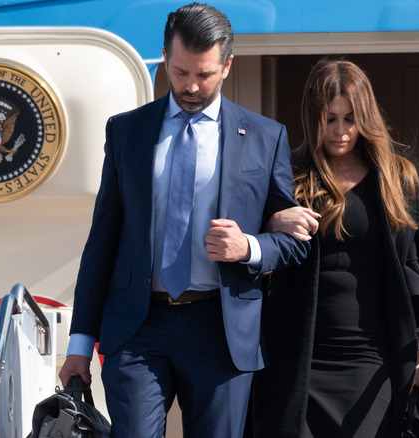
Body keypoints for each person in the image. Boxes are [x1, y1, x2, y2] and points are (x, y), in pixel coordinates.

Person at [58, 3, 309, 437]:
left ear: (228, 65)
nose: (190, 86)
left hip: (221, 329)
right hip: (138, 328)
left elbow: (295, 241)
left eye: (204, 74)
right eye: (179, 72)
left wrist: (248, 247)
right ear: (165, 57)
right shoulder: (126, 131)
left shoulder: (267, 137)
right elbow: (102, 241)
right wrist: (80, 343)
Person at [251, 59, 419, 437]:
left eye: (350, 119)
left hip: (372, 360)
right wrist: (272, 223)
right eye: (329, 119)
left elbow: (417, 271)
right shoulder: (288, 174)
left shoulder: (397, 179)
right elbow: (256, 248)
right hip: (299, 357)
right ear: (312, 117)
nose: (340, 131)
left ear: (365, 118)